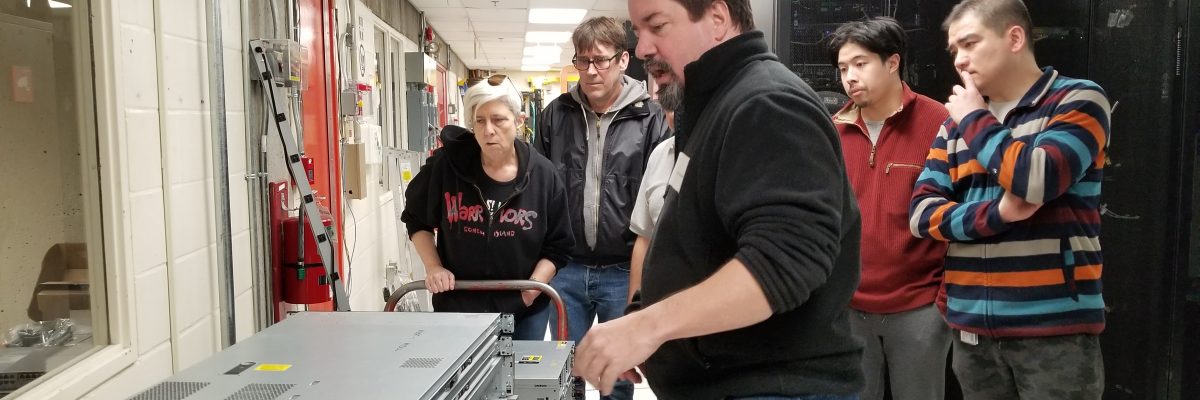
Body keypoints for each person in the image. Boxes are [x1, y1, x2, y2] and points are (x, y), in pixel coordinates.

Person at [575, 1, 864, 399]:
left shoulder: (766, 103)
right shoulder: (714, 104)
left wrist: (649, 327)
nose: (642, 49)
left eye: (657, 26)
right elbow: (698, 240)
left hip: (770, 387)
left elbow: (783, 263)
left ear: (717, 18)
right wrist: (643, 315)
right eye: (638, 32)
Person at [910, 1, 1111, 398]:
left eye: (970, 43)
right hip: (971, 329)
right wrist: (998, 212)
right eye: (954, 50)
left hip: (1054, 328)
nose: (959, 60)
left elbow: (1036, 180)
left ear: (1015, 38)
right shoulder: (954, 125)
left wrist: (974, 119)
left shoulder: (1078, 99)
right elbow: (921, 214)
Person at [534, 16, 669, 400]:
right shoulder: (555, 115)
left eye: (600, 60)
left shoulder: (650, 118)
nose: (591, 70)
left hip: (623, 270)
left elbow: (659, 198)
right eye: (582, 60)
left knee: (618, 378)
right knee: (566, 375)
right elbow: (538, 188)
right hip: (566, 270)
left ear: (623, 60)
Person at [826, 17, 952, 400]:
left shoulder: (940, 123)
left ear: (893, 62)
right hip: (850, 309)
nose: (849, 77)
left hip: (920, 308)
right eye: (843, 68)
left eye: (860, 64)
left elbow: (961, 213)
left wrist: (944, 301)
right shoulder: (834, 129)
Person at [401, 76, 574, 341]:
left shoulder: (543, 175)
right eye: (480, 121)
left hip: (523, 314)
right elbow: (416, 219)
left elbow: (559, 247)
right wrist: (433, 267)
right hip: (457, 308)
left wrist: (528, 294)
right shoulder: (446, 167)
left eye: (498, 120)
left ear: (519, 121)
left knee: (520, 369)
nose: (488, 130)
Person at [628, 60, 678, 303]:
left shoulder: (724, 153)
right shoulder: (660, 154)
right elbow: (644, 237)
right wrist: (633, 306)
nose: (675, 115)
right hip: (660, 299)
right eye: (671, 107)